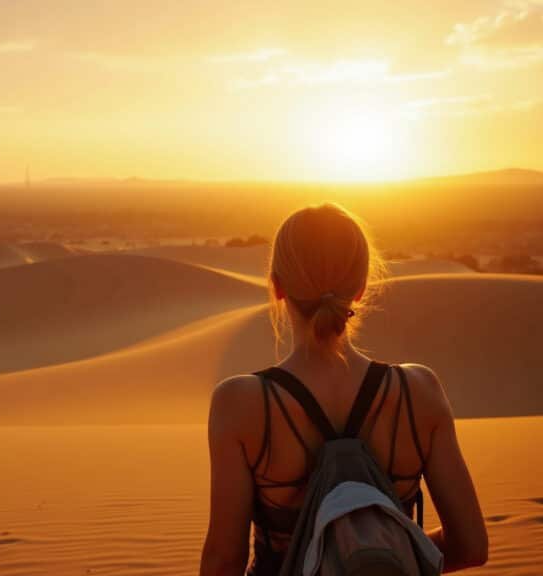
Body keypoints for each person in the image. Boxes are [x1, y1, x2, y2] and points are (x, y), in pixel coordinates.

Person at [199, 204, 488, 575]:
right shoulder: (418, 391)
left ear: (277, 286)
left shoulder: (241, 403)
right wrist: (384, 551)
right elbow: (471, 547)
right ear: (362, 288)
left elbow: (224, 561)